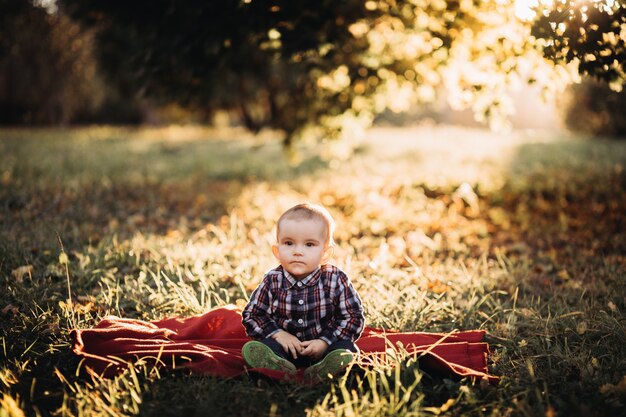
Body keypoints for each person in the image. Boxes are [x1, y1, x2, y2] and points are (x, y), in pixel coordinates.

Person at [241, 203, 365, 380]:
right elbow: (253, 315)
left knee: (345, 348)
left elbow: (352, 317)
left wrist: (324, 341)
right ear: (277, 251)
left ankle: (326, 367)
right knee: (266, 345)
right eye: (289, 243)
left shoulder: (335, 279)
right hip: (285, 348)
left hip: (324, 347)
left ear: (325, 253)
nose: (298, 251)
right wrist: (278, 334)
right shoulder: (273, 280)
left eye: (309, 244)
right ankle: (278, 365)